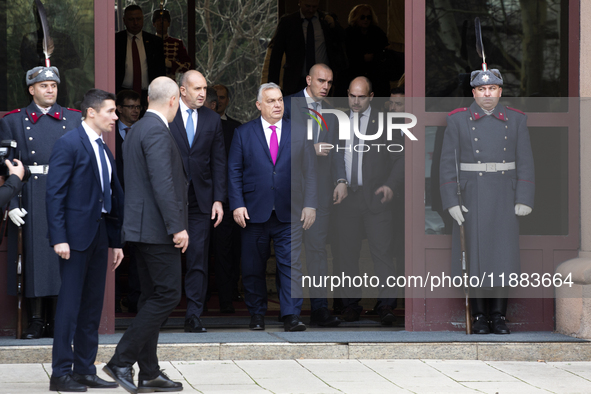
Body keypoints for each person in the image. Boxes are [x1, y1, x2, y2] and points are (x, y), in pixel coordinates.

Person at [104, 77, 188, 394]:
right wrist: (177, 226)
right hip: (157, 230)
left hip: (142, 228)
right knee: (167, 295)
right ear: (172, 101)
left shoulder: (137, 128)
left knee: (151, 297)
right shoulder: (155, 130)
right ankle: (121, 361)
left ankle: (149, 372)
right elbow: (162, 183)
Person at [439, 68, 535, 335]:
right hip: (472, 195)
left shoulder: (516, 119)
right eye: (481, 89)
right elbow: (447, 165)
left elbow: (526, 160)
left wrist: (524, 196)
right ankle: (480, 315)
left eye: (492, 88)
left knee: (502, 256)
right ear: (474, 92)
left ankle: (499, 315)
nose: (487, 93)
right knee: (476, 256)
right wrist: (451, 202)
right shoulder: (458, 120)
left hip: (505, 193)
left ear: (500, 91)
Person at [46, 89, 124, 392]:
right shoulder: (69, 143)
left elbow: (111, 199)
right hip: (74, 240)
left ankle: (84, 369)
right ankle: (60, 373)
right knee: (69, 305)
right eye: (110, 111)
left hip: (99, 234)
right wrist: (59, 237)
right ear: (91, 112)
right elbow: (55, 194)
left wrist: (115, 241)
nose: (115, 117)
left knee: (92, 306)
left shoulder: (104, 148)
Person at [0, 65, 82, 340]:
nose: (50, 90)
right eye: (44, 86)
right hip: (30, 193)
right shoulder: (14, 121)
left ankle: (58, 318)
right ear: (31, 89)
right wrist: (10, 205)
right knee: (34, 258)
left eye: (53, 86)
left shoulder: (73, 119)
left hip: (64, 193)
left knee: (62, 257)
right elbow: (7, 167)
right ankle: (36, 320)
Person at [228, 83, 317, 332]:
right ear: (259, 105)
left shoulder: (299, 131)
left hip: (290, 211)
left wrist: (310, 204)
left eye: (279, 100)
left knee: (291, 265)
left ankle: (291, 315)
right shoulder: (243, 133)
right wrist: (237, 204)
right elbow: (233, 171)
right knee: (253, 267)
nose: (278, 105)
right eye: (271, 101)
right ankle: (257, 314)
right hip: (254, 212)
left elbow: (310, 172)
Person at [334, 77, 404, 324]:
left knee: (382, 253)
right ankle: (351, 306)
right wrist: (339, 180)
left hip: (376, 197)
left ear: (371, 96)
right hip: (347, 198)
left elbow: (400, 158)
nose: (355, 101)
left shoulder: (386, 123)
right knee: (346, 255)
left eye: (360, 96)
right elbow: (333, 158)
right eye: (351, 95)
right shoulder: (339, 121)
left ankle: (386, 306)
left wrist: (391, 185)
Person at [283, 63, 345, 327]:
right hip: (290, 191)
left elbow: (339, 149)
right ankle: (290, 311)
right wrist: (310, 147)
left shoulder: (331, 111)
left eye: (329, 82)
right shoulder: (285, 104)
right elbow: (276, 143)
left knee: (318, 252)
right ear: (308, 79)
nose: (326, 86)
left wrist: (341, 180)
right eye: (321, 80)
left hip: (320, 191)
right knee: (290, 253)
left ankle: (320, 308)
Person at [168, 70, 226, 333]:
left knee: (198, 260)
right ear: (182, 91)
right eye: (197, 89)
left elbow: (219, 162)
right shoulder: (167, 114)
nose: (203, 93)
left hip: (202, 201)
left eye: (204, 88)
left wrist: (218, 199)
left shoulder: (212, 119)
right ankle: (160, 311)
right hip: (170, 199)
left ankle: (194, 314)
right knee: (167, 258)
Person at [267, 0, 346, 96]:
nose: (311, 10)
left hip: (323, 81)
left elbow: (343, 41)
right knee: (296, 110)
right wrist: (272, 85)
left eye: (314, 6)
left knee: (321, 110)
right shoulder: (288, 22)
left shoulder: (326, 20)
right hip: (296, 80)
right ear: (299, 2)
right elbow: (276, 55)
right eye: (308, 6)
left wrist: (334, 26)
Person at [212, 84, 243, 311]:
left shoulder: (237, 128)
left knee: (234, 250)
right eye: (216, 98)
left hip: (233, 199)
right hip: (206, 199)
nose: (219, 102)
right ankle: (216, 297)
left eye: (223, 98)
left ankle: (230, 291)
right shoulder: (199, 126)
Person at [114, 90, 142, 314]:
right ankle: (112, 300)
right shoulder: (109, 132)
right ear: (119, 109)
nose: (135, 110)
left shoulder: (144, 131)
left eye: (138, 106)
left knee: (138, 255)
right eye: (130, 106)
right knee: (114, 249)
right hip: (115, 200)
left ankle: (135, 299)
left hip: (138, 202)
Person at [115, 5, 166, 105]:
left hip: (148, 95)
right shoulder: (116, 41)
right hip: (122, 94)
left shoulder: (155, 42)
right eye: (131, 19)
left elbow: (161, 71)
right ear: (124, 20)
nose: (135, 23)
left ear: (143, 19)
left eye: (138, 19)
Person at [344, 4, 390, 98]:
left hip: (375, 75)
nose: (365, 20)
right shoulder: (348, 34)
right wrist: (361, 58)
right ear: (356, 17)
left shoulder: (377, 33)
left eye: (368, 17)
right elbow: (346, 55)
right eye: (362, 17)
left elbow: (384, 50)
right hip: (354, 73)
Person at [152, 9, 192, 79]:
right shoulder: (149, 41)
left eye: (164, 20)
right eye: (158, 20)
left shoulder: (177, 43)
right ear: (154, 24)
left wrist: (170, 64)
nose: (161, 22)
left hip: (170, 81)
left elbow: (188, 65)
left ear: (168, 24)